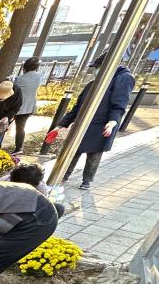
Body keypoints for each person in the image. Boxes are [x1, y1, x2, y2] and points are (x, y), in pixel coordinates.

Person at [57, 52, 134, 189]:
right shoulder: (92, 84)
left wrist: (113, 121)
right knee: (74, 149)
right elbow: (77, 107)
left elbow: (120, 103)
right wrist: (61, 125)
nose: (95, 70)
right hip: (83, 123)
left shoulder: (123, 78)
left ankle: (87, 180)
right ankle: (64, 174)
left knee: (94, 153)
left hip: (102, 124)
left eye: (97, 67)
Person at [11, 57, 42, 154]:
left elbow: (13, 89)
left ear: (25, 67)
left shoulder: (20, 79)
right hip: (29, 106)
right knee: (21, 127)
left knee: (6, 124)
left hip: (17, 106)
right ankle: (19, 147)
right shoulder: (39, 77)